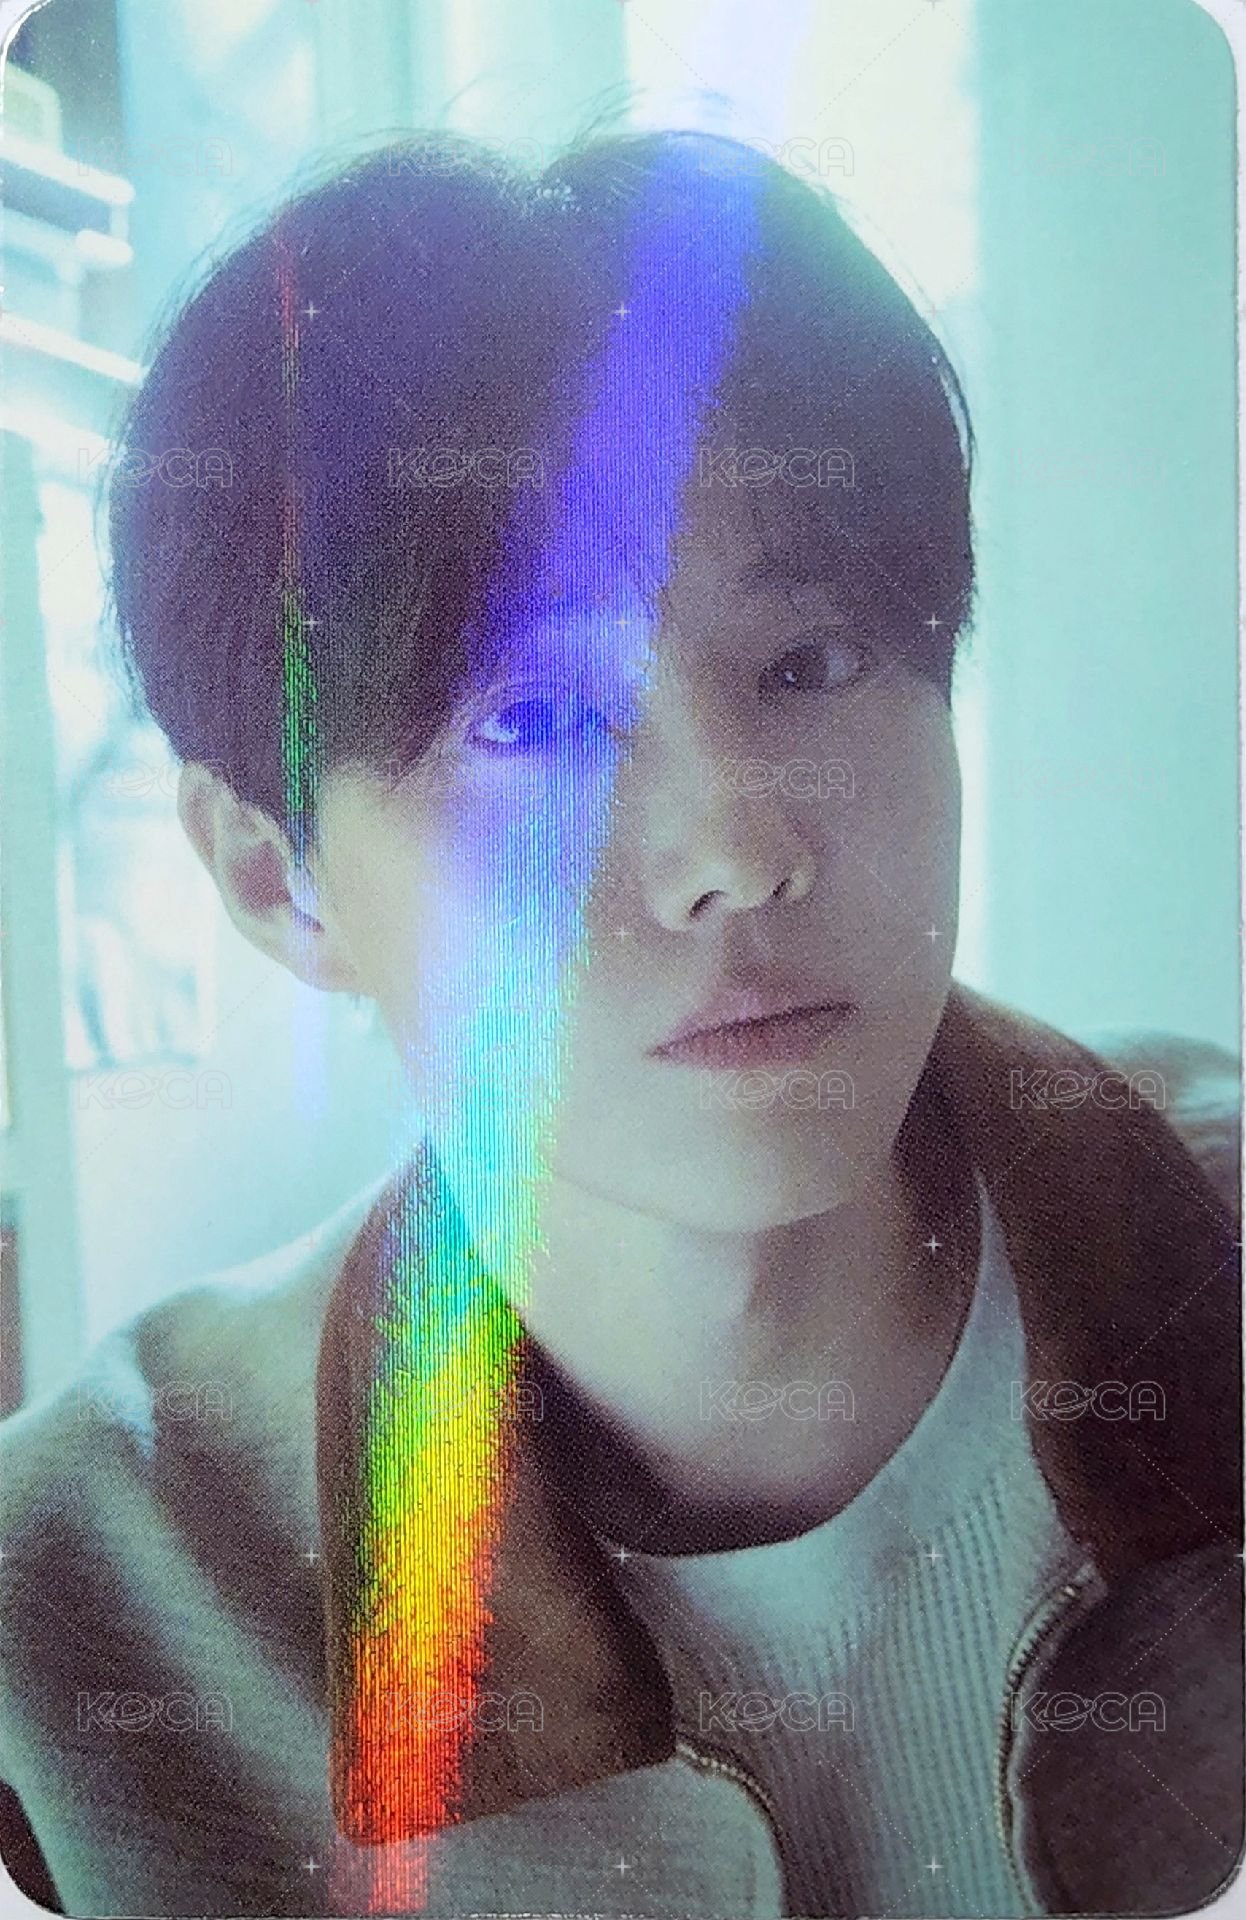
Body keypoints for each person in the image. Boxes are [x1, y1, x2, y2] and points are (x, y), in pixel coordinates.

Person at [0, 130, 1240, 1920]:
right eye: (532, 726)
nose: (734, 849)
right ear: (282, 879)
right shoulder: (68, 1631)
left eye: (809, 663)